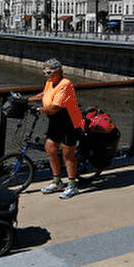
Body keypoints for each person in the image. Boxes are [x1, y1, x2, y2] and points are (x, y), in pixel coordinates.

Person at [29, 58, 86, 199]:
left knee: (68, 153)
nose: (46, 74)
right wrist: (28, 100)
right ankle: (57, 181)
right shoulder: (50, 82)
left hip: (69, 121)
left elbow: (54, 108)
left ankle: (72, 185)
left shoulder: (65, 84)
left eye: (49, 72)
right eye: (44, 72)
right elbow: (45, 95)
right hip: (55, 121)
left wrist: (39, 109)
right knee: (50, 148)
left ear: (59, 71)